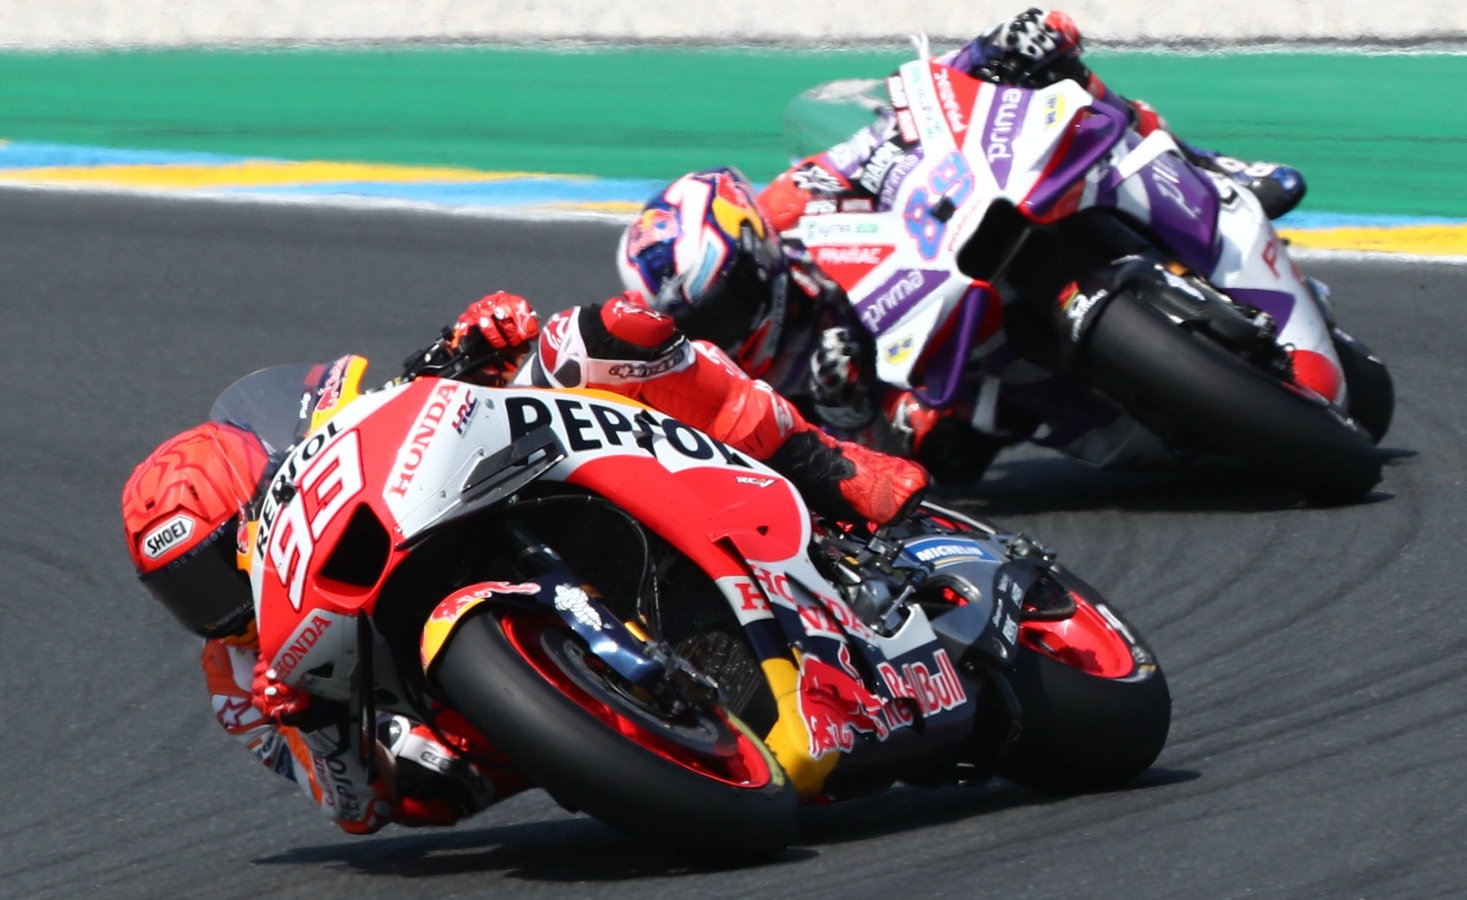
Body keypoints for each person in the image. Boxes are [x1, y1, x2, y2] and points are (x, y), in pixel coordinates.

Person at [120, 290, 928, 835]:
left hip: (472, 504)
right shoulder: (236, 681)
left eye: (213, 569)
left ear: (252, 511)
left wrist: (472, 347)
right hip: (479, 736)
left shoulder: (324, 451)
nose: (216, 608)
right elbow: (356, 811)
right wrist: (313, 722)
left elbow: (404, 408)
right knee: (421, 773)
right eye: (183, 594)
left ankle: (829, 466)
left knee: (608, 333)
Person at [617, 8, 1308, 485]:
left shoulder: (791, 202)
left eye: (726, 300)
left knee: (1052, 87)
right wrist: (846, 409)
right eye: (707, 324)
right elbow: (834, 473)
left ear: (752, 245)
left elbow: (896, 125)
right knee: (940, 442)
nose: (730, 326)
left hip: (957, 256)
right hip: (963, 380)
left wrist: (987, 54)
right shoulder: (755, 385)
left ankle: (1207, 165)